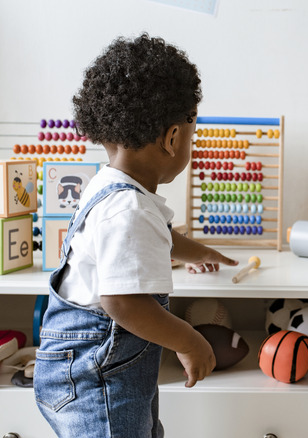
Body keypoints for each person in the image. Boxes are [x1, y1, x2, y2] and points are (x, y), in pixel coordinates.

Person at [33, 34, 238, 438]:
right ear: (174, 137)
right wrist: (190, 341)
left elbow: (160, 235)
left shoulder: (112, 188)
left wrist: (198, 252)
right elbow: (124, 302)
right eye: (191, 134)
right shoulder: (128, 210)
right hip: (98, 378)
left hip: (102, 369)